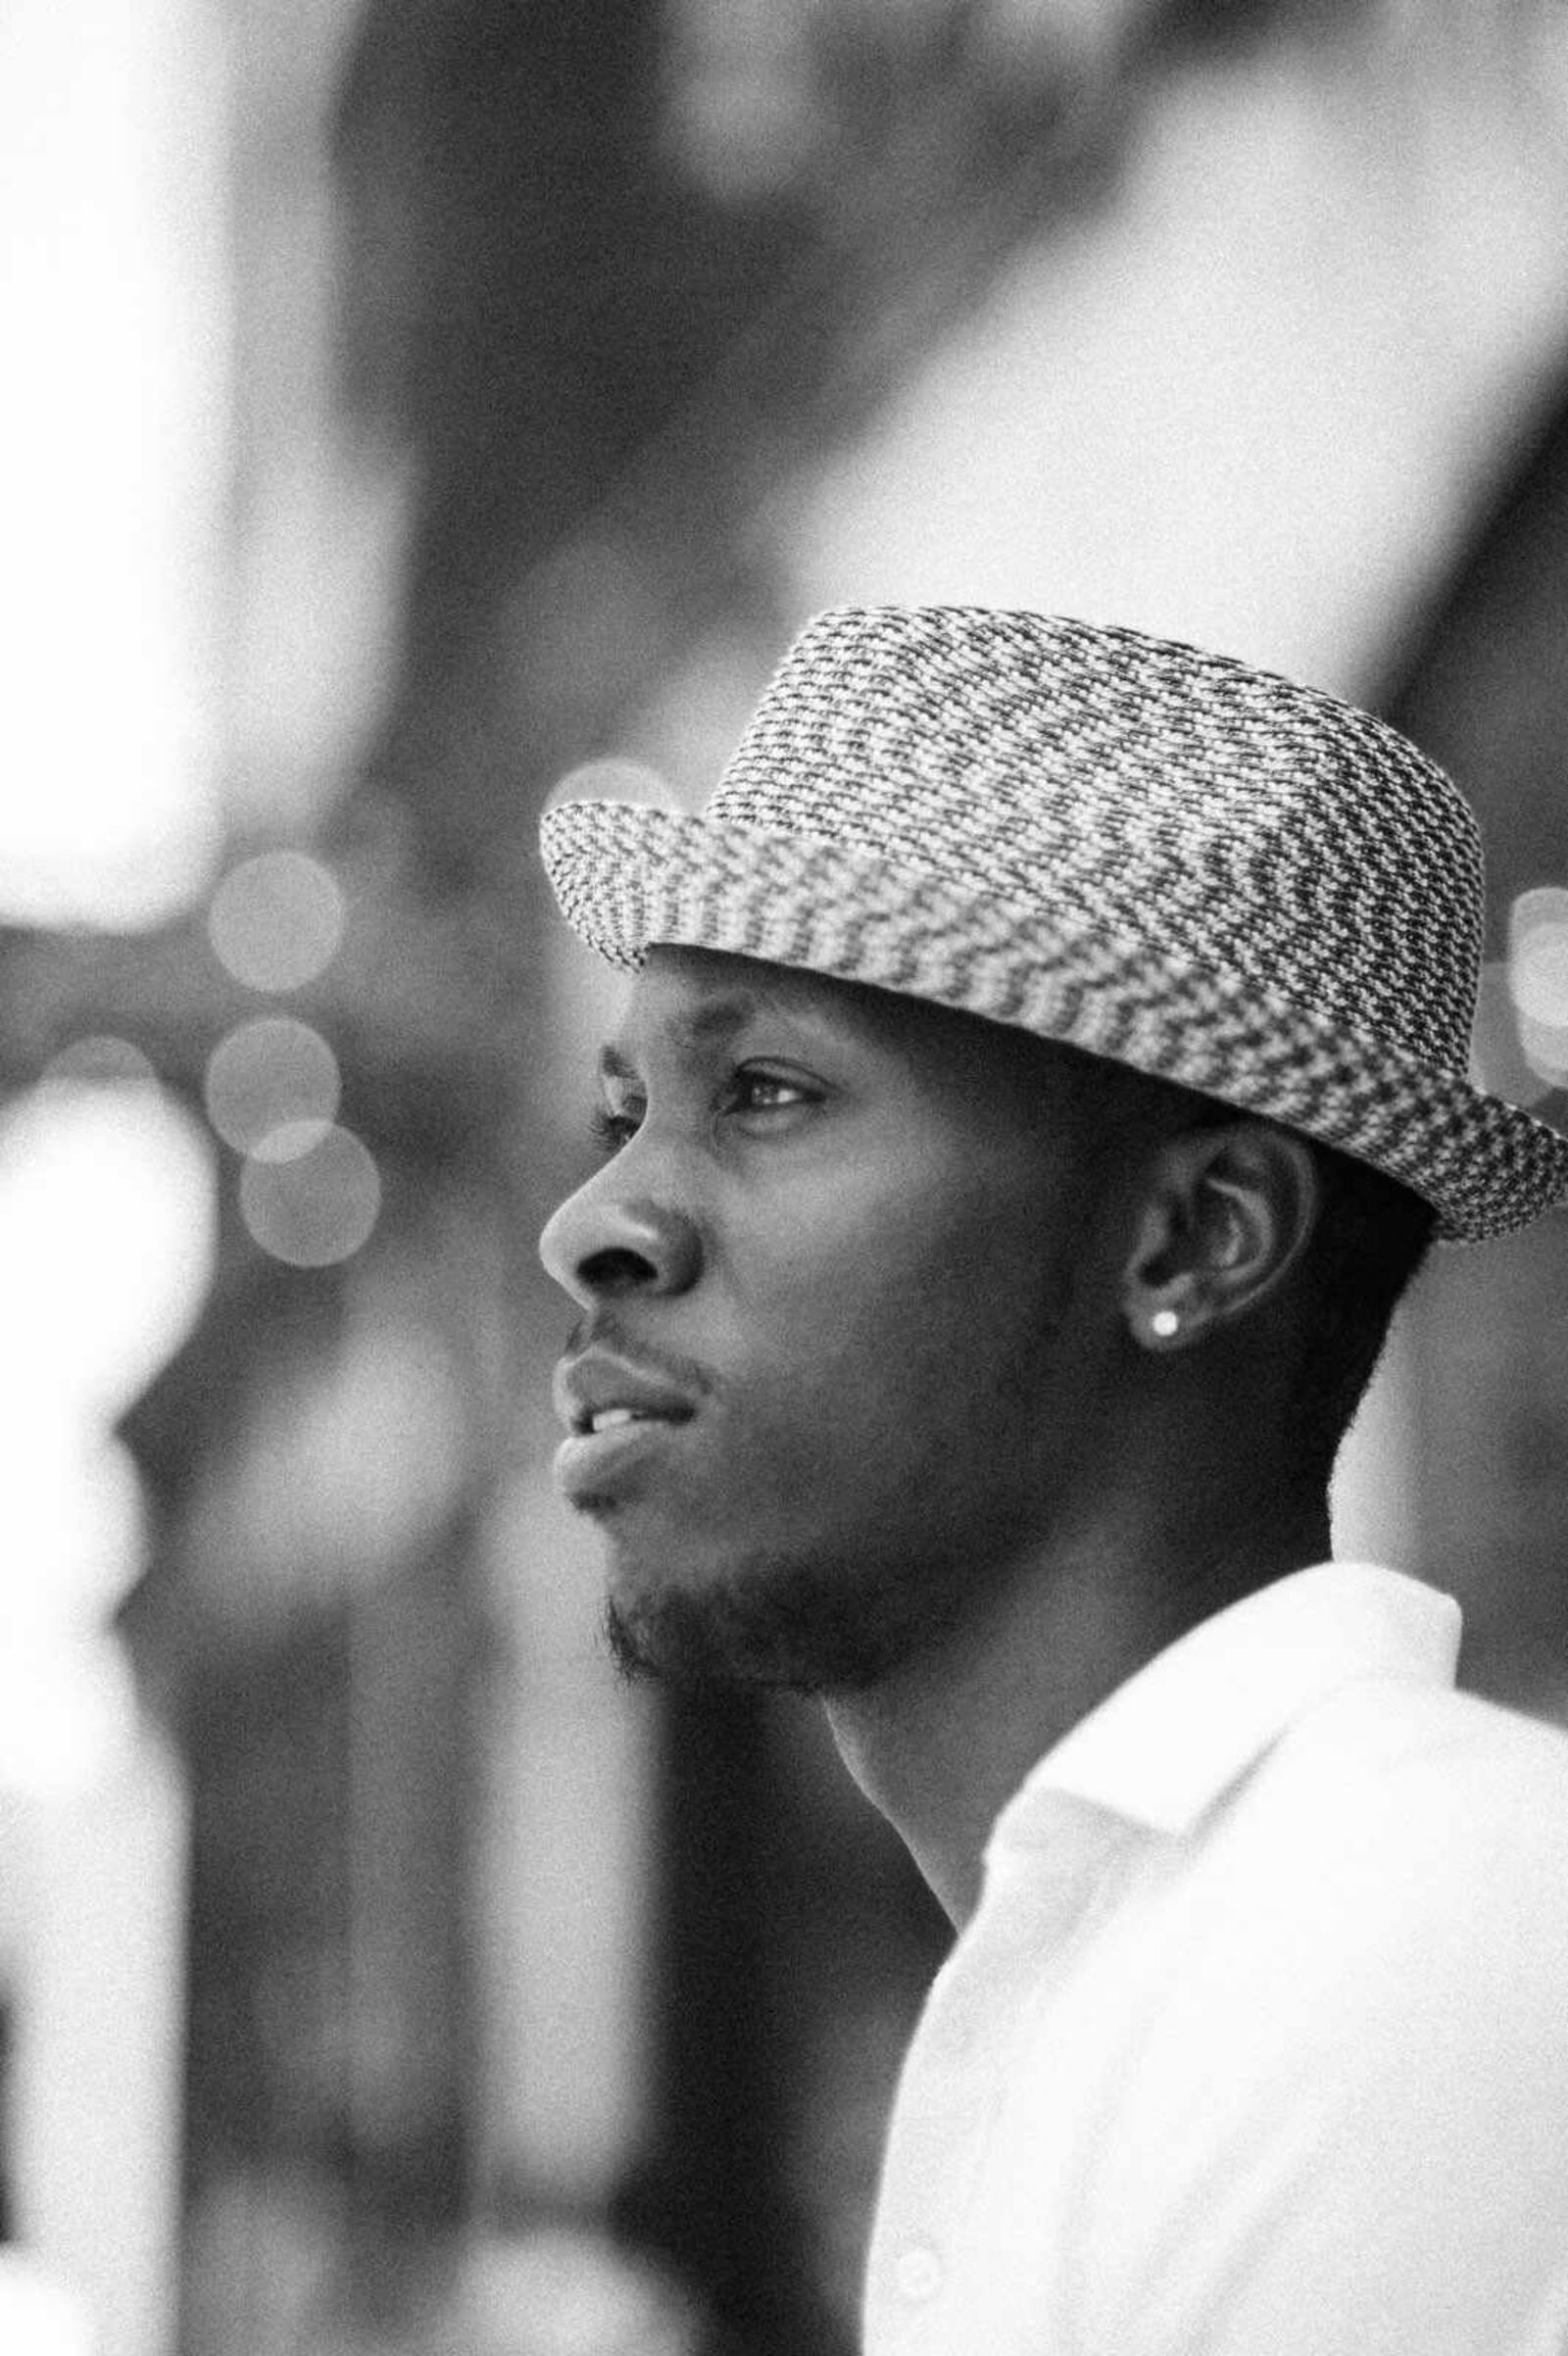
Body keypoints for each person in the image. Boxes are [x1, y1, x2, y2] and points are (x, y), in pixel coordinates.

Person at [535, 605, 1568, 2355]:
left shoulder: (1421, 1937)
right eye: (620, 1111)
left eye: (766, 1091)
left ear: (1198, 1236)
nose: (595, 1222)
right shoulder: (1134, 1968)